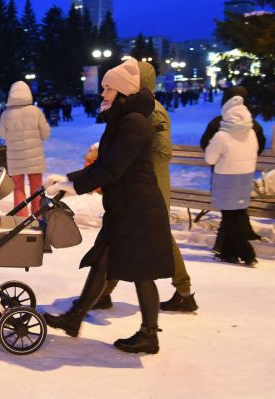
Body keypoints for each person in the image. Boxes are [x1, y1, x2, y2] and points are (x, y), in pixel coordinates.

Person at [43, 59, 174, 354]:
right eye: (103, 88)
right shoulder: (122, 119)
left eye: (109, 89)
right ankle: (75, 317)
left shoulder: (134, 124)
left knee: (141, 272)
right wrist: (69, 179)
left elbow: (112, 169)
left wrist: (73, 184)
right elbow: (104, 164)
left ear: (124, 92)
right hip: (126, 206)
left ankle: (149, 335)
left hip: (138, 209)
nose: (103, 94)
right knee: (103, 263)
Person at [91, 61, 198, 313]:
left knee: (151, 236)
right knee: (117, 233)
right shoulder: (132, 106)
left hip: (149, 185)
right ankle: (102, 292)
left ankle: (183, 292)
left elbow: (162, 152)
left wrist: (130, 162)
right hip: (134, 183)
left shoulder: (152, 111)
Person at [200, 86, 266, 253]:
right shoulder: (252, 126)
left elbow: (206, 146)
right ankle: (229, 250)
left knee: (229, 214)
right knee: (235, 212)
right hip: (244, 175)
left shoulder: (219, 124)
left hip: (223, 174)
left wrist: (224, 158)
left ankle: (237, 250)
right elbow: (259, 146)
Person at [0, 80, 50, 217]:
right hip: (35, 157)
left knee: (18, 189)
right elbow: (46, 133)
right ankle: (38, 216)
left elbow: (2, 134)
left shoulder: (6, 114)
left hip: (15, 159)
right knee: (37, 189)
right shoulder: (36, 111)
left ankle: (21, 218)